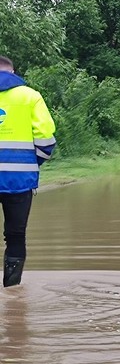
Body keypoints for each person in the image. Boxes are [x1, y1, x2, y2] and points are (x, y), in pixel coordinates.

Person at [0, 56, 56, 287]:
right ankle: (13, 293)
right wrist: (32, 165)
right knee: (15, 236)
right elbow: (46, 141)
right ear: (12, 71)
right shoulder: (30, 96)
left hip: (20, 178)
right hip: (19, 181)